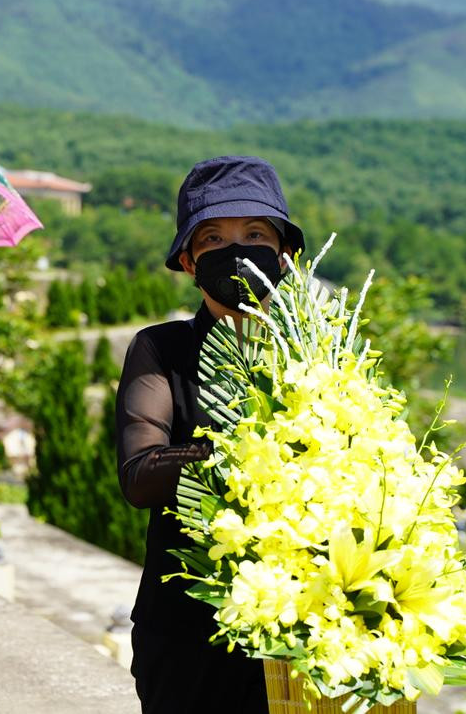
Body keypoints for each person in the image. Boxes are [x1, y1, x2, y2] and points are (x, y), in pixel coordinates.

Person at [116, 156, 306, 713]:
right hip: (186, 630)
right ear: (188, 261)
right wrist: (252, 452)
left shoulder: (322, 355)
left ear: (286, 256)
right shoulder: (161, 350)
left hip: (306, 625)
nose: (238, 250)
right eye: (214, 238)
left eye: (254, 234)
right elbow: (139, 476)